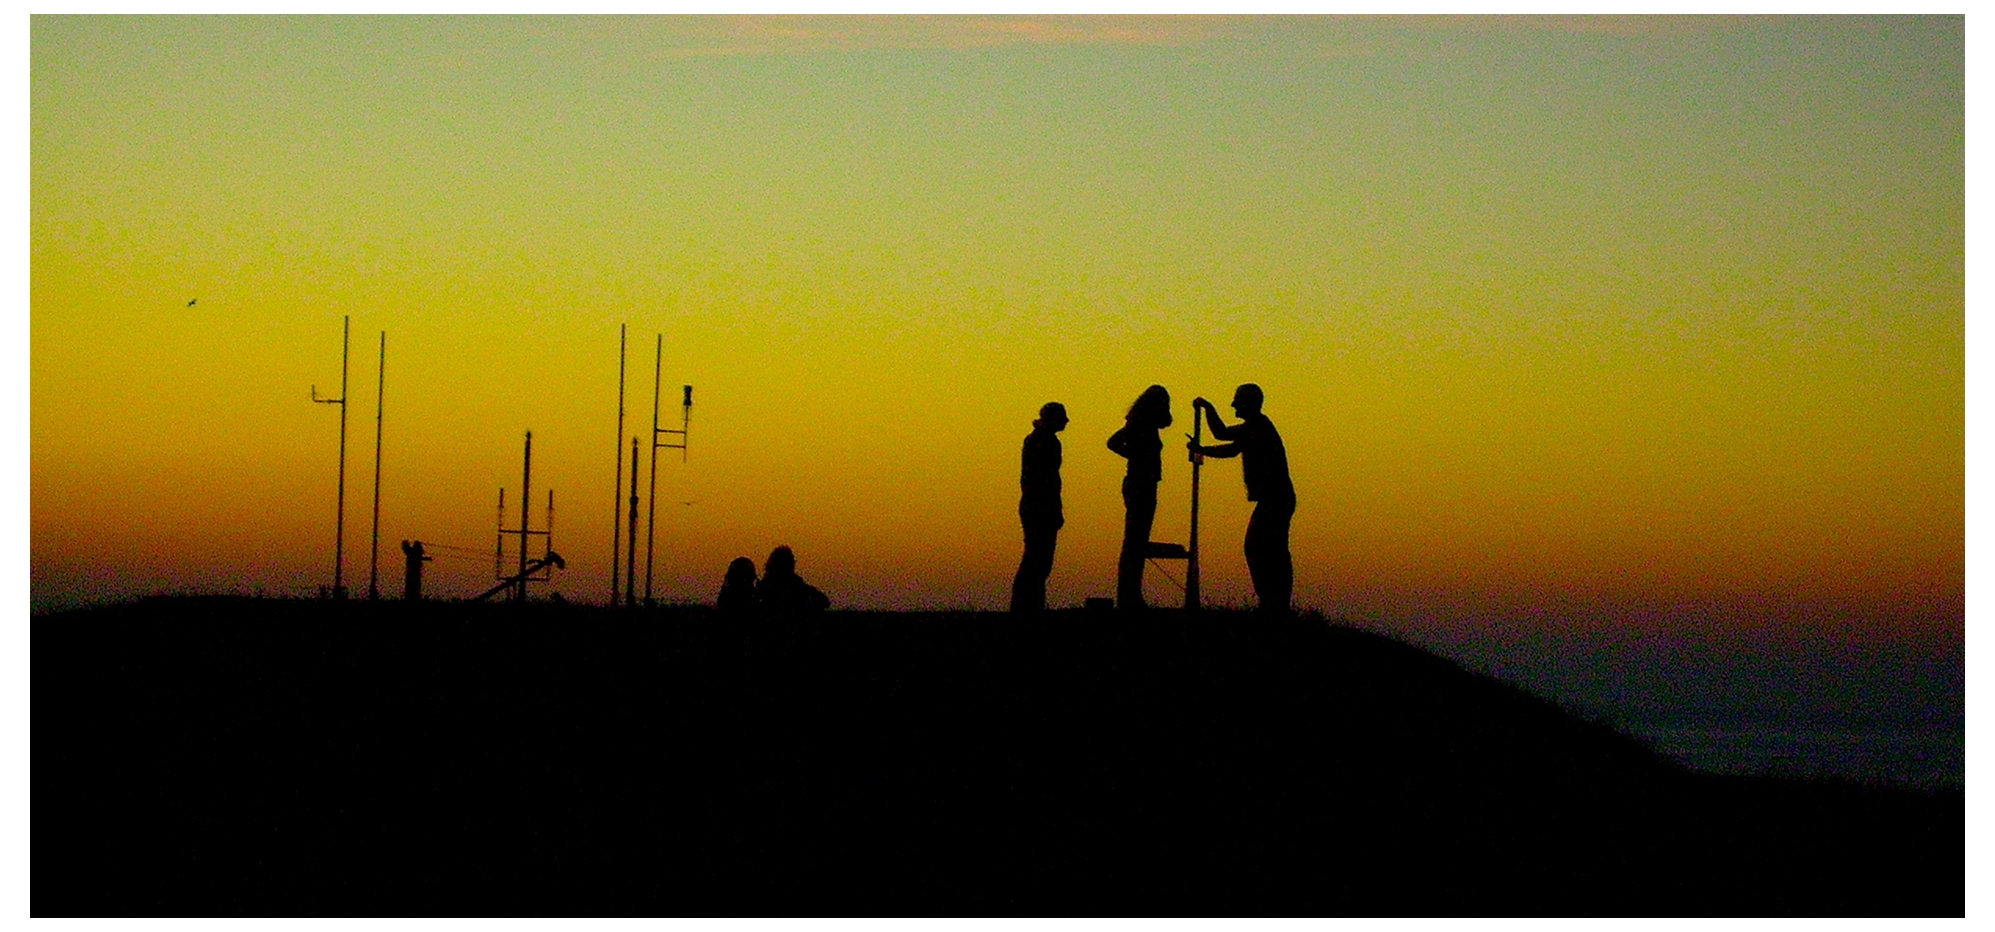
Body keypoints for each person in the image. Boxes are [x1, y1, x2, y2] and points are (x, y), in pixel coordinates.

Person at [1190, 384, 1296, 615]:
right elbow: (1231, 449)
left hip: (1275, 499)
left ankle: (1273, 603)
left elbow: (1221, 433)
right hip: (1276, 498)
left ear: (1248, 403)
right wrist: (1202, 450)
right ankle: (1274, 603)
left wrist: (1207, 407)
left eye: (1237, 401)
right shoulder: (1254, 428)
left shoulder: (1258, 426)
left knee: (1261, 548)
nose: (1233, 405)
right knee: (1269, 549)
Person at [1107, 385, 1172, 611]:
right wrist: (1136, 457)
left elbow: (1167, 421)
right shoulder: (1140, 422)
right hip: (1139, 484)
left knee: (1136, 541)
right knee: (1135, 541)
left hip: (1143, 482)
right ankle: (1128, 597)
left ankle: (1131, 595)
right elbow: (1112, 442)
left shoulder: (1142, 422)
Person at [1011, 402, 1069, 613]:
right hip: (1039, 506)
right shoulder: (1043, 441)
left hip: (1038, 505)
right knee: (1037, 558)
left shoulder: (1042, 440)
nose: (1066, 421)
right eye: (1062, 417)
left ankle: (1030, 605)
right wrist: (1053, 508)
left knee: (1039, 559)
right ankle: (1025, 606)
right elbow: (1046, 480)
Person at [756, 545, 830, 613]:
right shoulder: (796, 586)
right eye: (790, 561)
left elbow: (824, 602)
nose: (793, 564)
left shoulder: (765, 585)